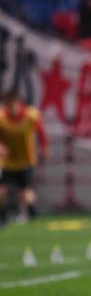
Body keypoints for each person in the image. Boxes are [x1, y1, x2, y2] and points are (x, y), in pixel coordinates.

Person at [0, 90, 48, 224]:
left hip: (26, 161)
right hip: (7, 163)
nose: (10, 108)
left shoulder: (31, 116)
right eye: (7, 105)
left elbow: (42, 135)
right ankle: (3, 217)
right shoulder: (1, 118)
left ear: (18, 104)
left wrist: (44, 149)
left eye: (12, 105)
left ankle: (32, 213)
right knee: (1, 192)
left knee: (26, 194)